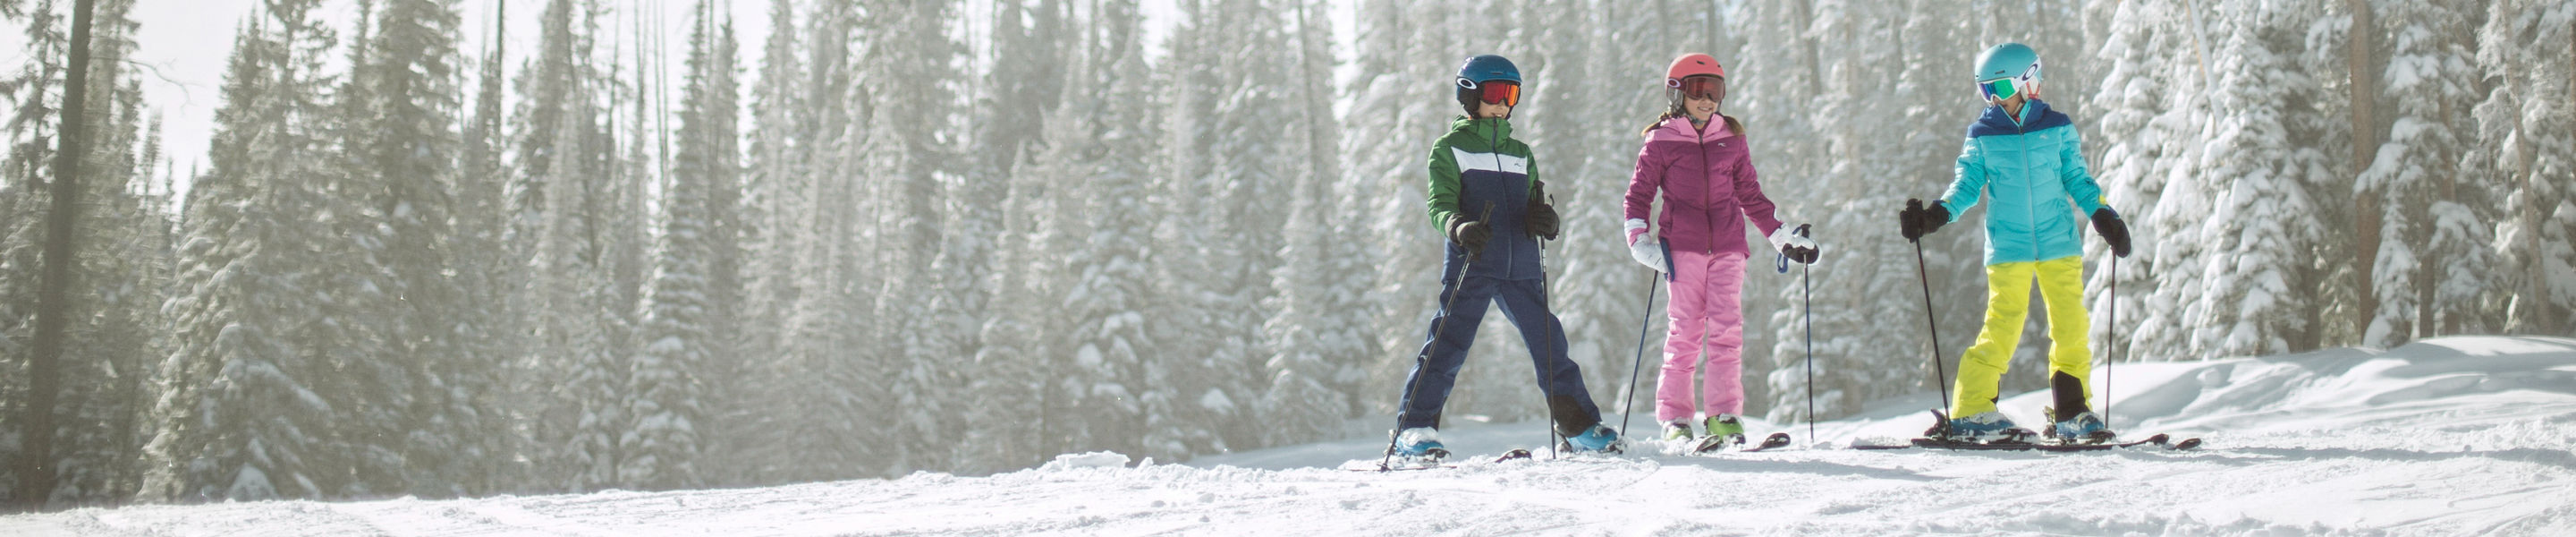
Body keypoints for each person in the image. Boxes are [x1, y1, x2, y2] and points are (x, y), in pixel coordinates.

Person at [1897, 42, 2133, 443]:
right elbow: (1968, 184)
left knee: (2071, 325)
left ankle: (2072, 410)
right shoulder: (1983, 134)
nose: (1995, 100)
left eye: (2002, 89)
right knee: (2003, 325)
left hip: (2059, 242)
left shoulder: (2057, 126)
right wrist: (1936, 215)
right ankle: (1973, 407)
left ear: (2029, 83)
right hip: (2008, 246)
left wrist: (2102, 213)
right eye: (1986, 91)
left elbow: (2077, 177)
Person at [1392, 55, 1620, 458]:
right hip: (1473, 263)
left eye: (1510, 94)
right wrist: (1458, 226)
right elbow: (1439, 205)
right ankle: (1415, 429)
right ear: (1470, 95)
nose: (1503, 103)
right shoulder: (1450, 148)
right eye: (1495, 93)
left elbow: (1533, 203)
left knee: (1550, 346)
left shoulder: (1521, 153)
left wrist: (1544, 220)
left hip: (1523, 267)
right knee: (1447, 345)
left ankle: (1580, 428)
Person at [1622, 53, 1818, 448]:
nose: (1708, 99)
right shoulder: (1661, 140)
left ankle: (1723, 415)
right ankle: (1676, 418)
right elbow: (1638, 196)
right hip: (1682, 249)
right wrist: (1639, 241)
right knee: (1686, 332)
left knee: (1728, 331)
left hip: (1729, 246)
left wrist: (1781, 236)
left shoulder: (1731, 136)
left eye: (1715, 90)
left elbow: (1750, 194)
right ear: (1678, 93)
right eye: (1699, 90)